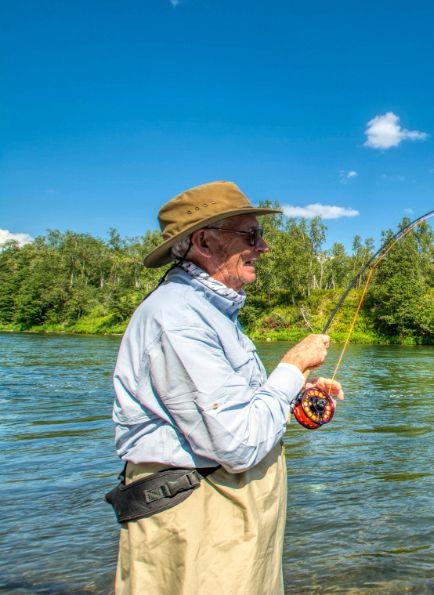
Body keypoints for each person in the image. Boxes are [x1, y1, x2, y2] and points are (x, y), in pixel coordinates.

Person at [110, 181, 343, 594]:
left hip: (224, 514)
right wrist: (292, 367)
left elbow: (233, 411)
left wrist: (297, 396)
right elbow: (238, 444)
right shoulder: (178, 317)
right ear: (202, 241)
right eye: (251, 236)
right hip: (197, 522)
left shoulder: (210, 312)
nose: (264, 247)